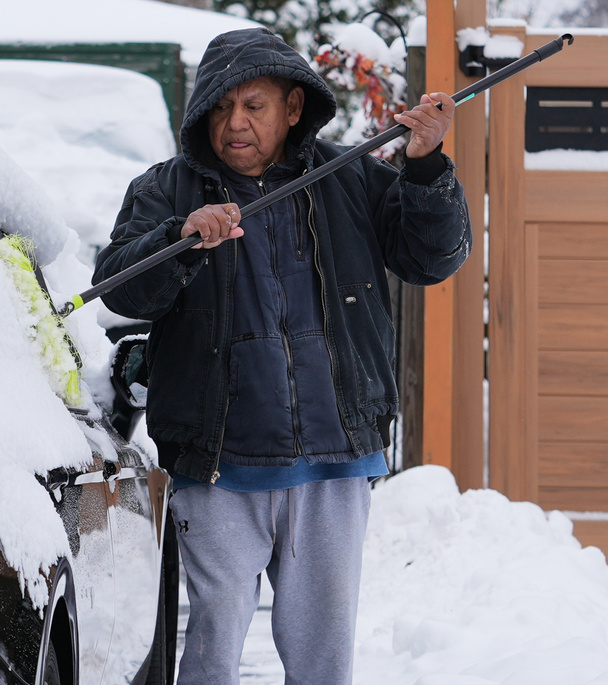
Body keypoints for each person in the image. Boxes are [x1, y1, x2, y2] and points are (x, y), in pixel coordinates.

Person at [92, 27, 471, 685]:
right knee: (212, 644)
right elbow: (121, 289)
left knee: (323, 654)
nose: (233, 123)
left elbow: (430, 257)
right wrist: (179, 239)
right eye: (219, 108)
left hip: (335, 458)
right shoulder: (166, 191)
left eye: (253, 106)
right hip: (218, 465)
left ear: (293, 108)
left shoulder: (350, 177)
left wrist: (426, 166)